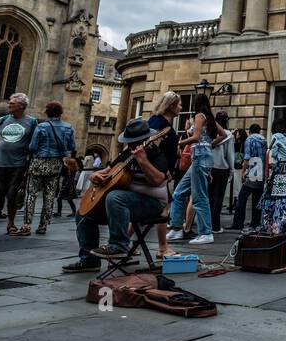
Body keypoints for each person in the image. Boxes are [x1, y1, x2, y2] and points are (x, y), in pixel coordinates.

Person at [62, 118, 173, 270]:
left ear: (145, 140)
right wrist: (94, 176)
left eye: (134, 142)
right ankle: (89, 260)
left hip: (153, 204)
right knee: (83, 214)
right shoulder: (127, 154)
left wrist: (143, 160)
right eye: (129, 142)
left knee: (116, 197)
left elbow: (157, 181)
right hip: (124, 205)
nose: (131, 145)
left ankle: (119, 246)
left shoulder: (156, 154)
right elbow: (109, 171)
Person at [165, 93, 228, 245]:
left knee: (199, 197)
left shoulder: (199, 116)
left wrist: (179, 142)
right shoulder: (209, 118)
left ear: (196, 103)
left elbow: (196, 137)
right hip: (200, 158)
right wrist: (210, 144)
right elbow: (224, 134)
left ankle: (206, 233)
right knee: (179, 192)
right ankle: (176, 228)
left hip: (200, 158)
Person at [0, 92, 38, 237]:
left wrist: (29, 165)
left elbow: (34, 144)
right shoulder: (2, 120)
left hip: (18, 165)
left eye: (12, 103)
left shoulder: (32, 122)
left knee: (13, 195)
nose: (8, 105)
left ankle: (11, 224)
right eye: (9, 103)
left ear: (21, 106)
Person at [18, 103, 76, 235]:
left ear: (47, 113)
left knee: (31, 194)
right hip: (56, 163)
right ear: (60, 113)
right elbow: (72, 146)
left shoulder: (41, 126)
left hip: (39, 162)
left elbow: (32, 147)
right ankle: (43, 226)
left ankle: (26, 225)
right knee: (49, 195)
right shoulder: (68, 127)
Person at [148, 91, 182, 260]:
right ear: (171, 106)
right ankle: (162, 248)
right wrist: (163, 169)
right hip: (156, 173)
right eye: (179, 104)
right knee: (162, 209)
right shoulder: (157, 122)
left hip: (162, 173)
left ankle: (124, 243)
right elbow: (152, 148)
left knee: (160, 209)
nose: (181, 108)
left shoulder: (165, 122)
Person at [231, 123, 268, 230]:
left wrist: (243, 172)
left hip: (253, 171)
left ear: (250, 131)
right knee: (257, 200)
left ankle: (238, 222)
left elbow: (247, 158)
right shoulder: (264, 141)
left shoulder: (249, 140)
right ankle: (255, 222)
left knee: (242, 198)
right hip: (261, 172)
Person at [208, 110, 235, 233]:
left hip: (209, 167)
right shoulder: (228, 134)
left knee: (209, 197)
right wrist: (232, 169)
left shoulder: (211, 133)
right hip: (222, 168)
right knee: (219, 197)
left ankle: (207, 224)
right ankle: (216, 225)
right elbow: (230, 154)